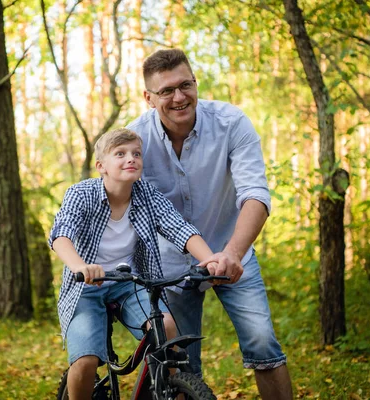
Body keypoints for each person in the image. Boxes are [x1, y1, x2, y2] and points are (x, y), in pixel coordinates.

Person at [127, 48, 293, 400]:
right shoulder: (134, 141)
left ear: (195, 82)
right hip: (169, 266)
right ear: (148, 98)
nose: (179, 97)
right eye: (166, 91)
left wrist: (232, 253)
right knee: (180, 364)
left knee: (263, 342)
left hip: (231, 252)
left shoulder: (231, 123)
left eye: (185, 85)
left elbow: (255, 196)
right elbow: (124, 203)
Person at [49, 128, 218, 400]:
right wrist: (80, 266)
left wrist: (209, 260)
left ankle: (169, 392)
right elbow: (61, 235)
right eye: (121, 153)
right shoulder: (81, 194)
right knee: (86, 360)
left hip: (130, 284)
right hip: (87, 286)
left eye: (136, 153)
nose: (131, 158)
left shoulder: (146, 195)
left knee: (167, 329)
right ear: (101, 166)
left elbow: (179, 228)